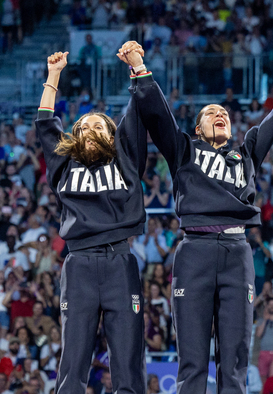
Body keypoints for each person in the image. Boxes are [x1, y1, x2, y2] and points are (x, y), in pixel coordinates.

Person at [115, 38, 273, 393]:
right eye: (210, 113)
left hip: (238, 253)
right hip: (195, 249)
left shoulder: (247, 154)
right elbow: (159, 115)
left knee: (236, 361)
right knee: (192, 362)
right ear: (197, 129)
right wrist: (139, 69)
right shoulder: (183, 150)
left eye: (222, 112)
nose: (220, 114)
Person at [35, 51, 147, 394]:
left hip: (119, 262)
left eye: (98, 125)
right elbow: (45, 122)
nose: (89, 129)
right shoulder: (63, 165)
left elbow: (138, 110)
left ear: (112, 137)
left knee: (128, 362)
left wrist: (135, 68)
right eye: (82, 127)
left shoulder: (126, 159)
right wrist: (53, 75)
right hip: (79, 263)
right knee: (73, 362)